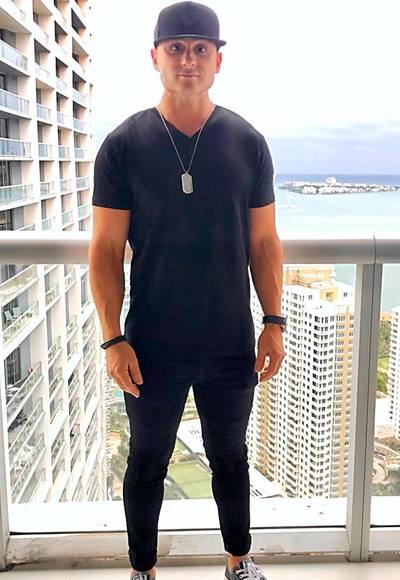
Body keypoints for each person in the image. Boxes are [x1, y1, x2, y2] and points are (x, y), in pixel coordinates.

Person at [88, 2, 286, 578]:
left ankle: (239, 561)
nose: (188, 59)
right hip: (152, 340)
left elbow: (264, 243)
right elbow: (104, 250)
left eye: (201, 49)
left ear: (218, 61)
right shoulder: (123, 146)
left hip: (230, 336)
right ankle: (142, 569)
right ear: (155, 57)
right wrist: (112, 339)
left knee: (230, 458)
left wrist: (274, 321)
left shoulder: (247, 142)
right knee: (147, 460)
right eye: (176, 48)